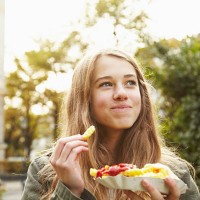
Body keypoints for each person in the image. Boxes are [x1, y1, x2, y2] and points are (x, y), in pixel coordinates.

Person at [21, 48, 200, 200]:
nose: (121, 93)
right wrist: (69, 190)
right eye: (106, 84)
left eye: (130, 82)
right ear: (84, 99)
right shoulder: (45, 172)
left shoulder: (174, 174)